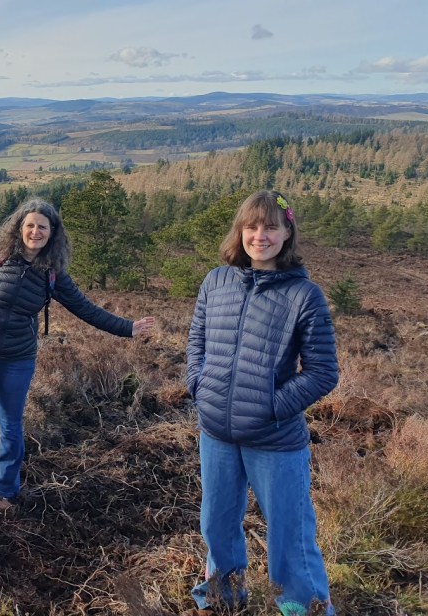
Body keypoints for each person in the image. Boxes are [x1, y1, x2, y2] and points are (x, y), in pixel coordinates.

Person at [0, 198, 155, 515]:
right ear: (19, 227)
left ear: (52, 233)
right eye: (29, 225)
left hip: (16, 356)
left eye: (42, 227)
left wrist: (129, 328)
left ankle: (5, 492)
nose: (35, 231)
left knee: (11, 425)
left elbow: (86, 309)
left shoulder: (52, 273)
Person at [185, 190, 339, 616]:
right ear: (240, 231)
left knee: (290, 535)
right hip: (216, 433)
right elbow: (196, 342)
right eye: (252, 226)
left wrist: (270, 407)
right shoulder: (216, 281)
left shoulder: (304, 295)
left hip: (275, 439)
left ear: (287, 232)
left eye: (271, 226)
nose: (260, 235)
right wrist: (199, 385)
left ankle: (301, 608)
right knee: (217, 524)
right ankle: (222, 598)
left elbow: (324, 372)